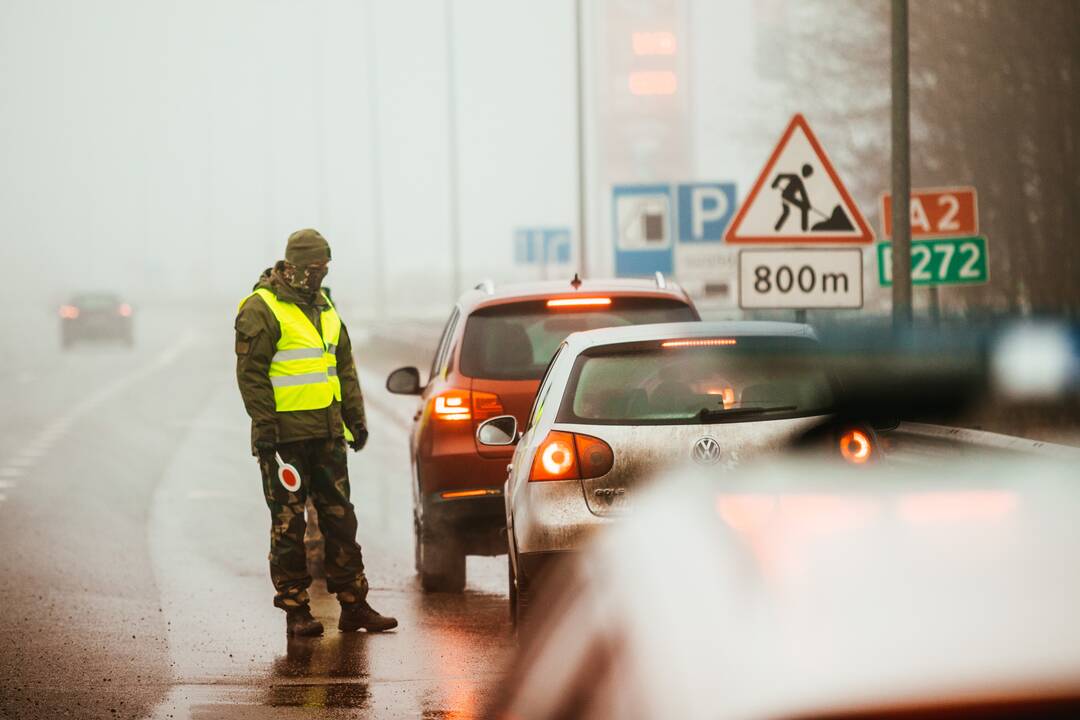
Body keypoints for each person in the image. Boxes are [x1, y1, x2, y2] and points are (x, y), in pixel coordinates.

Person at [234, 228, 397, 637]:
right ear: (292, 266)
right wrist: (265, 429)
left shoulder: (325, 306)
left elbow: (343, 368)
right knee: (288, 526)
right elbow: (251, 375)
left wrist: (355, 420)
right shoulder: (261, 308)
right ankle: (296, 610)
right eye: (313, 269)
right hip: (284, 440)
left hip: (327, 435)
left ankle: (354, 604)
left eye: (325, 268)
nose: (319, 276)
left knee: (341, 520)